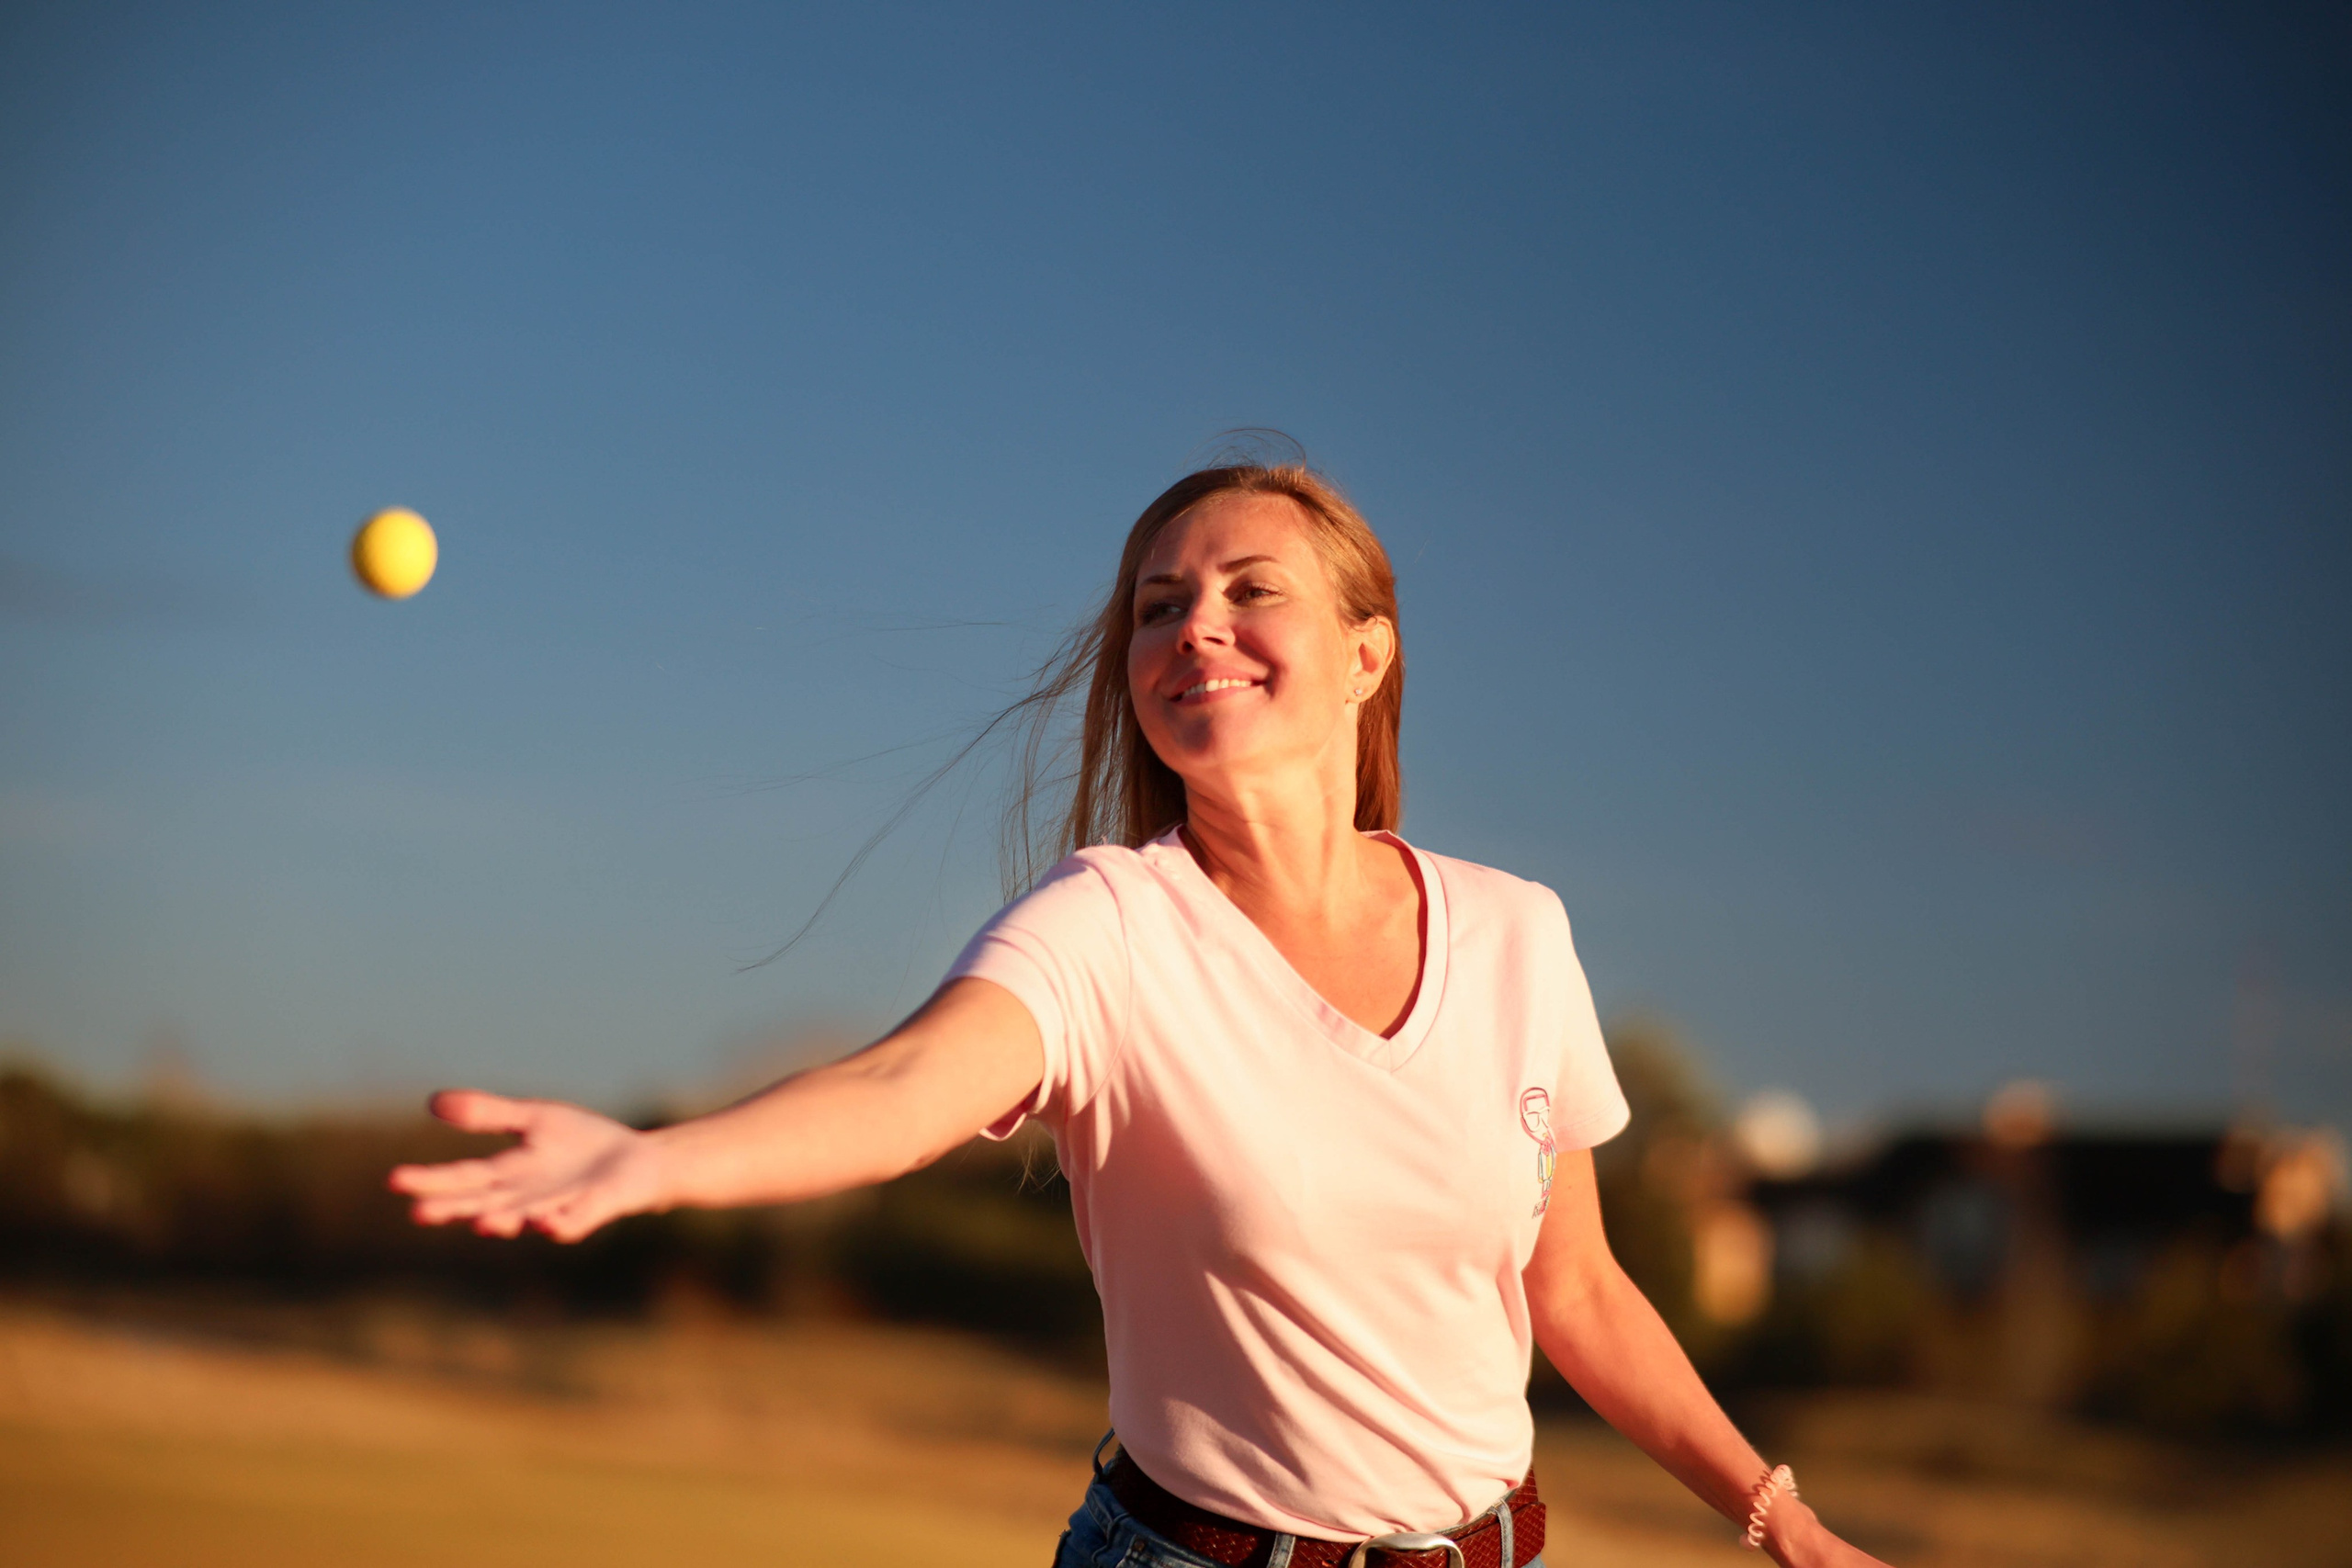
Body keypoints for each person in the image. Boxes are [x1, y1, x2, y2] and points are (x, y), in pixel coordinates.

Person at [390, 462, 1892, 1568]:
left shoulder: (1517, 930)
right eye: (1159, 607)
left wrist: (1782, 1520)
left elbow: (1577, 1294)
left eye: (1252, 591)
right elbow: (909, 1087)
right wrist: (659, 1161)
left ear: (1368, 656)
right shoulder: (1108, 927)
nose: (1197, 628)